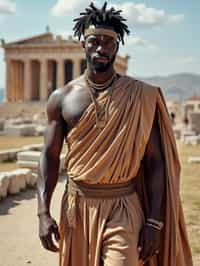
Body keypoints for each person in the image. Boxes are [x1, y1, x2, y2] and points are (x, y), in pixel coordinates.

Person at [37, 2, 193, 266]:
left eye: (108, 42)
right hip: (77, 206)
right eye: (94, 40)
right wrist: (43, 212)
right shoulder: (61, 98)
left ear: (117, 47)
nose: (101, 48)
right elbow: (50, 157)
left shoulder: (140, 96)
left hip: (123, 206)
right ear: (82, 45)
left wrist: (154, 221)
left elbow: (155, 161)